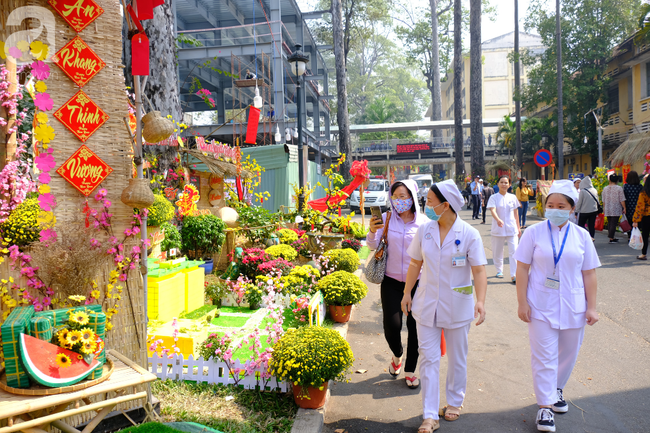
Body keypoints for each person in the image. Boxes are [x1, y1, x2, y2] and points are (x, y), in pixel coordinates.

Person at [401, 179, 487, 433]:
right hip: (426, 304)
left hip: (458, 305)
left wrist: (480, 301)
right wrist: (407, 293)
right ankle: (429, 414)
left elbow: (480, 271)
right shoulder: (425, 230)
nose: (425, 206)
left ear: (445, 205)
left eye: (429, 201)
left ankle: (454, 402)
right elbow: (415, 263)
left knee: (457, 357)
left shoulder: (469, 234)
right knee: (428, 358)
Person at [514, 180, 601, 433]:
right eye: (550, 205)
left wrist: (592, 307)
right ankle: (545, 407)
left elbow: (590, 274)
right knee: (544, 356)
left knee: (568, 353)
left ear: (572, 209)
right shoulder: (533, 233)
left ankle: (556, 388)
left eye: (561, 205)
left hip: (574, 304)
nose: (554, 209)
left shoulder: (582, 236)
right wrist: (521, 302)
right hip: (539, 304)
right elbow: (522, 267)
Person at [367, 180, 428, 388]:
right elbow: (373, 246)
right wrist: (372, 231)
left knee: (414, 327)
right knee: (391, 326)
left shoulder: (424, 222)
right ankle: (397, 354)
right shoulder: (386, 218)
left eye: (403, 196)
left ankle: (410, 370)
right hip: (391, 282)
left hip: (418, 283)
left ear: (412, 198)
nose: (399, 201)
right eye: (395, 197)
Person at [487, 175, 521, 283]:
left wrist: (518, 227)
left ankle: (514, 274)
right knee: (498, 251)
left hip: (512, 229)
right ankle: (499, 270)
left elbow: (516, 213)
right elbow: (493, 210)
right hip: (498, 229)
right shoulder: (493, 197)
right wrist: (498, 219)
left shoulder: (513, 197)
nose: (504, 184)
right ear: (498, 184)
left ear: (509, 185)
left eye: (506, 182)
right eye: (501, 182)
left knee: (514, 251)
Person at [601, 174, 626, 243]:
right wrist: (624, 207)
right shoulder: (619, 188)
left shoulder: (605, 188)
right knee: (613, 223)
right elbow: (622, 199)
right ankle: (611, 238)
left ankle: (611, 237)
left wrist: (604, 208)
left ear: (610, 180)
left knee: (610, 223)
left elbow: (603, 200)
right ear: (617, 180)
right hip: (616, 207)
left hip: (608, 207)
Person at [632, 176, 650, 260]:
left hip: (647, 217)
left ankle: (643, 254)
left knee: (645, 235)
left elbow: (640, 207)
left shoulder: (643, 193)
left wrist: (635, 220)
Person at [623, 171, 643, 238]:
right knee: (638, 222)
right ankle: (638, 236)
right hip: (638, 207)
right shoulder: (640, 186)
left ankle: (630, 237)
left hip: (628, 207)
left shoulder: (625, 186)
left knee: (629, 222)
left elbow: (623, 197)